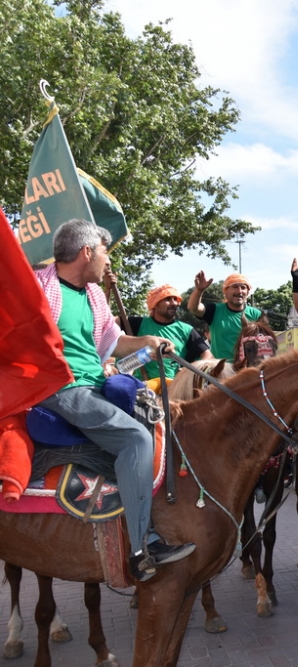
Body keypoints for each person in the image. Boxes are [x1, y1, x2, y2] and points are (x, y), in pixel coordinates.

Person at [34, 219, 195, 581]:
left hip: (96, 384)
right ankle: (142, 549)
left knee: (161, 424)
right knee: (135, 439)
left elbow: (112, 343)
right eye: (105, 252)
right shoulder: (37, 289)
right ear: (86, 252)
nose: (109, 261)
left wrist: (146, 344)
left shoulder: (92, 296)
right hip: (60, 389)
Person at [125, 284, 211, 384]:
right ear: (155, 304)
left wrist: (191, 372)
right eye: (168, 299)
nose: (174, 303)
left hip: (172, 387)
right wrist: (108, 291)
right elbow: (106, 324)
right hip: (140, 385)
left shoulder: (186, 329)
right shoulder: (138, 323)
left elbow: (208, 355)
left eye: (175, 299)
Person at [187, 271, 268, 362]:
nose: (239, 291)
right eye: (235, 287)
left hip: (248, 370)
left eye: (243, 287)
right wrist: (199, 291)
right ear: (225, 291)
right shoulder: (214, 310)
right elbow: (193, 308)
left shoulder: (257, 314)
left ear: (248, 292)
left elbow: (264, 343)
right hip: (221, 371)